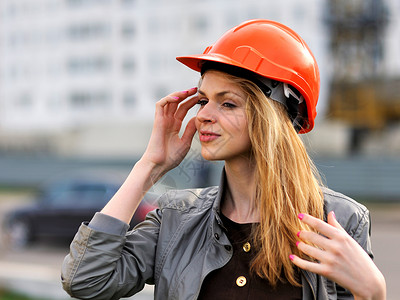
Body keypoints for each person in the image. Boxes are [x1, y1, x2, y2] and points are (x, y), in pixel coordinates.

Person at [61, 19, 386, 299]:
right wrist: (150, 166)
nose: (204, 116)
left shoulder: (338, 221)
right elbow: (86, 280)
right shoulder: (176, 220)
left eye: (227, 103)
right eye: (203, 100)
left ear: (271, 117)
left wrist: (372, 294)